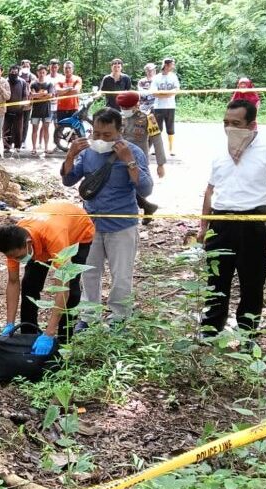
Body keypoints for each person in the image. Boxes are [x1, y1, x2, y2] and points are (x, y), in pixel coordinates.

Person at [198, 99, 266, 334]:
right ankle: (211, 329)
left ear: (252, 125)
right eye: (226, 123)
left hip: (254, 223)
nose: (230, 128)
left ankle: (247, 332)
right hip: (221, 223)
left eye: (236, 123)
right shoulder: (220, 153)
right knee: (216, 279)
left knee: (252, 282)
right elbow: (209, 191)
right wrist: (203, 226)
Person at [61, 108, 152, 326]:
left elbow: (146, 189)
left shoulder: (133, 152)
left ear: (120, 131)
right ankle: (88, 316)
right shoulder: (88, 152)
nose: (101, 139)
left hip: (122, 225)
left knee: (121, 275)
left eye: (107, 135)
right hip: (91, 224)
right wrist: (70, 155)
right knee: (89, 273)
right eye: (97, 133)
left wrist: (129, 161)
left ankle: (118, 317)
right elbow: (68, 180)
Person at [0, 201, 95, 353]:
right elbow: (13, 282)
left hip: (78, 233)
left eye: (19, 257)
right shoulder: (13, 245)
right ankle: (28, 335)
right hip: (44, 235)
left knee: (72, 290)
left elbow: (63, 288)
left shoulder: (54, 237)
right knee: (29, 284)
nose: (16, 260)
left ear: (28, 243)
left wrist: (49, 333)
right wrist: (10, 324)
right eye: (12, 257)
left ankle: (64, 339)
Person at [116, 91, 165, 225]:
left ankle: (146, 207)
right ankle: (145, 208)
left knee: (140, 187)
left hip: (139, 160)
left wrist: (160, 164)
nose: (124, 110)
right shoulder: (117, 118)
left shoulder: (148, 118)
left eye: (127, 107)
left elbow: (157, 140)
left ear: (136, 105)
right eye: (122, 107)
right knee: (124, 187)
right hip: (120, 160)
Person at [152, 57, 180, 155]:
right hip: (158, 106)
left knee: (170, 128)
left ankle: (171, 149)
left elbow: (176, 90)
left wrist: (163, 94)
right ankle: (157, 148)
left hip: (170, 106)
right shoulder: (156, 77)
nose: (173, 66)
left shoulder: (174, 77)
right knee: (158, 129)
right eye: (172, 64)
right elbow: (154, 93)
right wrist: (167, 94)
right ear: (166, 65)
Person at [3, 64, 30, 157]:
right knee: (6, 129)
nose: (14, 73)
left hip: (19, 110)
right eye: (12, 72)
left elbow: (25, 95)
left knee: (18, 129)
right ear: (9, 72)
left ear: (18, 73)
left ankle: (17, 146)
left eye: (15, 72)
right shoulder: (5, 81)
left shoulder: (22, 82)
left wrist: (23, 104)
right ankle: (6, 146)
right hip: (6, 110)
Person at [29, 65, 53, 155]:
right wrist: (43, 94)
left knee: (46, 129)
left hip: (47, 110)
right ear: (37, 73)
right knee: (34, 129)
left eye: (43, 72)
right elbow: (32, 95)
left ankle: (46, 147)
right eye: (40, 72)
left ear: (46, 73)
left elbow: (50, 95)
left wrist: (38, 95)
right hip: (35, 110)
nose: (42, 74)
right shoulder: (33, 84)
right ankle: (34, 148)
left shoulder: (49, 84)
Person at [53, 60, 82, 127]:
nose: (67, 70)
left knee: (74, 129)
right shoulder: (59, 80)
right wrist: (69, 89)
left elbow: (76, 91)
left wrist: (63, 92)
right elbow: (58, 91)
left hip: (73, 108)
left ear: (73, 69)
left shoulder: (77, 79)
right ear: (63, 69)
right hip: (61, 108)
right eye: (66, 68)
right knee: (59, 129)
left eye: (69, 68)